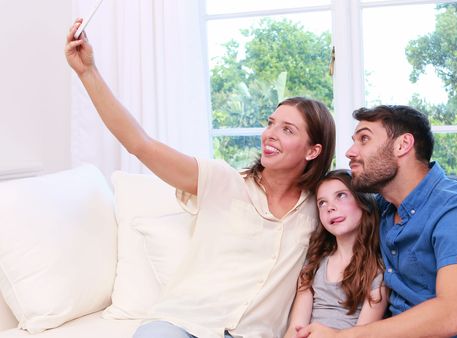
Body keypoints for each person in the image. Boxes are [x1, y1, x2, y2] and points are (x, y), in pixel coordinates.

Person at [65, 19, 336, 338]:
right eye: (271, 123)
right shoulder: (223, 181)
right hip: (182, 324)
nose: (269, 135)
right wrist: (87, 72)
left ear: (313, 151)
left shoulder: (321, 210)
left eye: (287, 130)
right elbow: (141, 144)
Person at [297, 105, 457, 338]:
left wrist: (342, 336)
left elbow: (454, 314)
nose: (350, 152)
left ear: (402, 145)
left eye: (364, 139)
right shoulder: (382, 209)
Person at [284, 170, 388, 338]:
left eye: (341, 196)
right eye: (322, 203)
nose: (330, 207)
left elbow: (364, 334)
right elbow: (295, 329)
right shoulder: (314, 263)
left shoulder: (377, 270)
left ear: (363, 201)